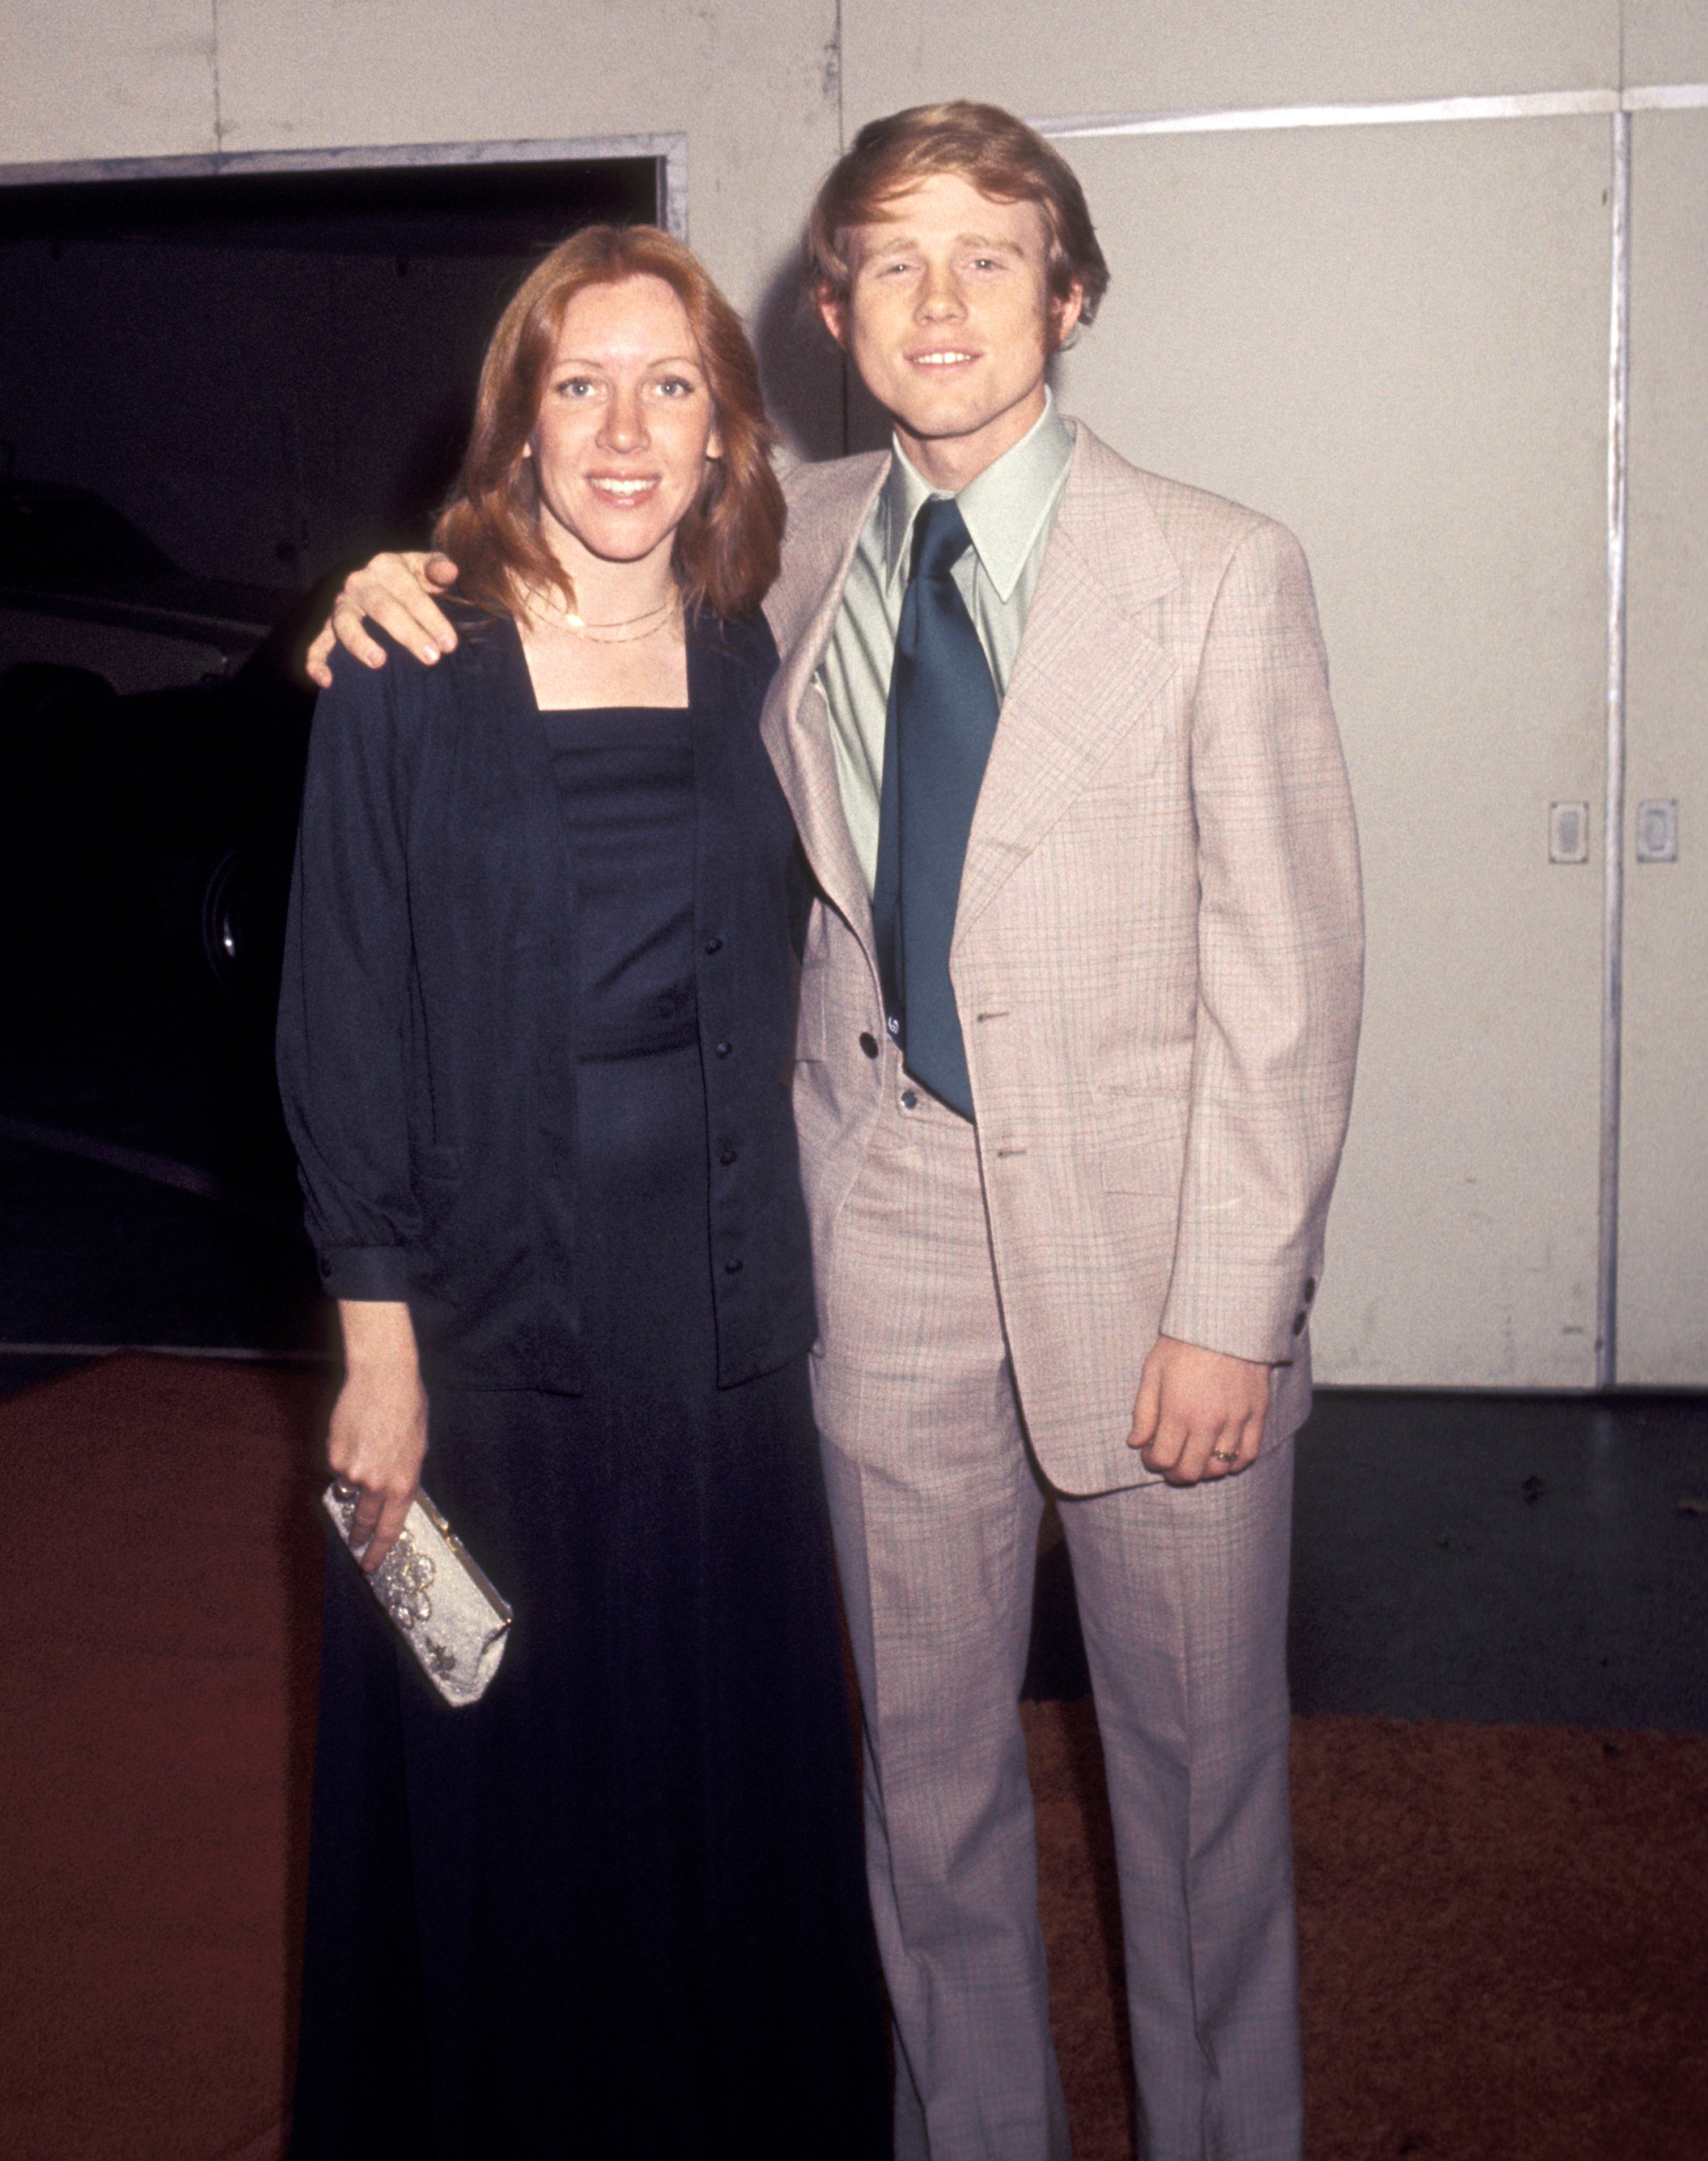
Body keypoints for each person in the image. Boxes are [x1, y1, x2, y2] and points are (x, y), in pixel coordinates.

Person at [312, 101, 1364, 2161]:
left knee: (1197, 1792)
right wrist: (384, 580)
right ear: (829, 311)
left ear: (1066, 297)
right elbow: (555, 543)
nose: (941, 299)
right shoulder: (778, 545)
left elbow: (1293, 980)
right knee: (924, 1793)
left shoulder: (1218, 573)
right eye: (892, 258)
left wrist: (1233, 1306)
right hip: (866, 1249)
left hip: (1159, 1275)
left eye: (989, 255)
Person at [279, 223, 890, 2161]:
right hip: (484, 1306)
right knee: (506, 1752)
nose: (624, 429)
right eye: (578, 383)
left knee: (720, 1757)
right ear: (517, 422)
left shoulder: (763, 643)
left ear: (727, 428)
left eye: (671, 383)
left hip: (722, 1299)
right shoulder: (406, 663)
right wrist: (374, 1343)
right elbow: (343, 1012)